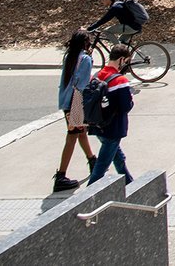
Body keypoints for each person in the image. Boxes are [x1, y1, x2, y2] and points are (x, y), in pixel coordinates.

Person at [54, 29, 96, 192]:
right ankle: (61, 176)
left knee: (80, 132)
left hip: (67, 100)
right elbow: (83, 83)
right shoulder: (85, 59)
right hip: (77, 101)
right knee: (72, 136)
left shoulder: (70, 57)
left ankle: (92, 159)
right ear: (85, 43)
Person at [87, 44, 134, 185]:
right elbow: (126, 106)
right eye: (126, 61)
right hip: (114, 128)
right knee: (100, 168)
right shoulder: (120, 81)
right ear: (121, 59)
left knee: (118, 158)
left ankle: (129, 183)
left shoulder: (96, 76)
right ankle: (87, 198)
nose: (125, 64)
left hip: (97, 125)